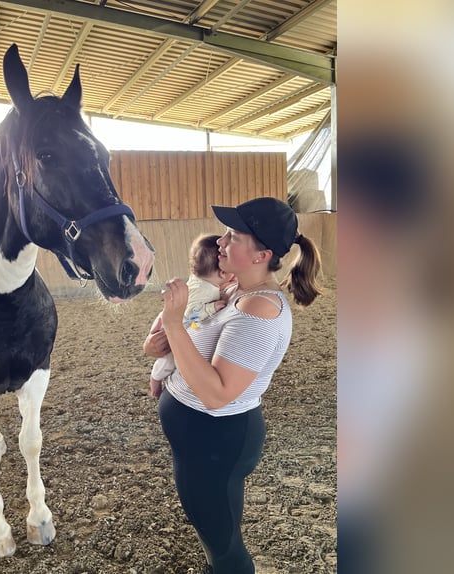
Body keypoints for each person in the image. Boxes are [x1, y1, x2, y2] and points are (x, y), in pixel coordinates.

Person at [142, 197, 322, 574]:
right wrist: (169, 340)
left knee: (225, 548)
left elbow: (216, 393)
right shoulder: (237, 293)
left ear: (262, 255)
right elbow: (195, 351)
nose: (221, 243)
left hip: (215, 440)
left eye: (234, 236)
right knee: (215, 529)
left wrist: (174, 325)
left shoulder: (260, 311)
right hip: (202, 442)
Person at [148, 234, 235, 399]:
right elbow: (189, 312)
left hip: (175, 320)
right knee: (168, 360)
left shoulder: (201, 281)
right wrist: (210, 308)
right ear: (223, 273)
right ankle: (155, 381)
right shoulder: (205, 290)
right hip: (176, 325)